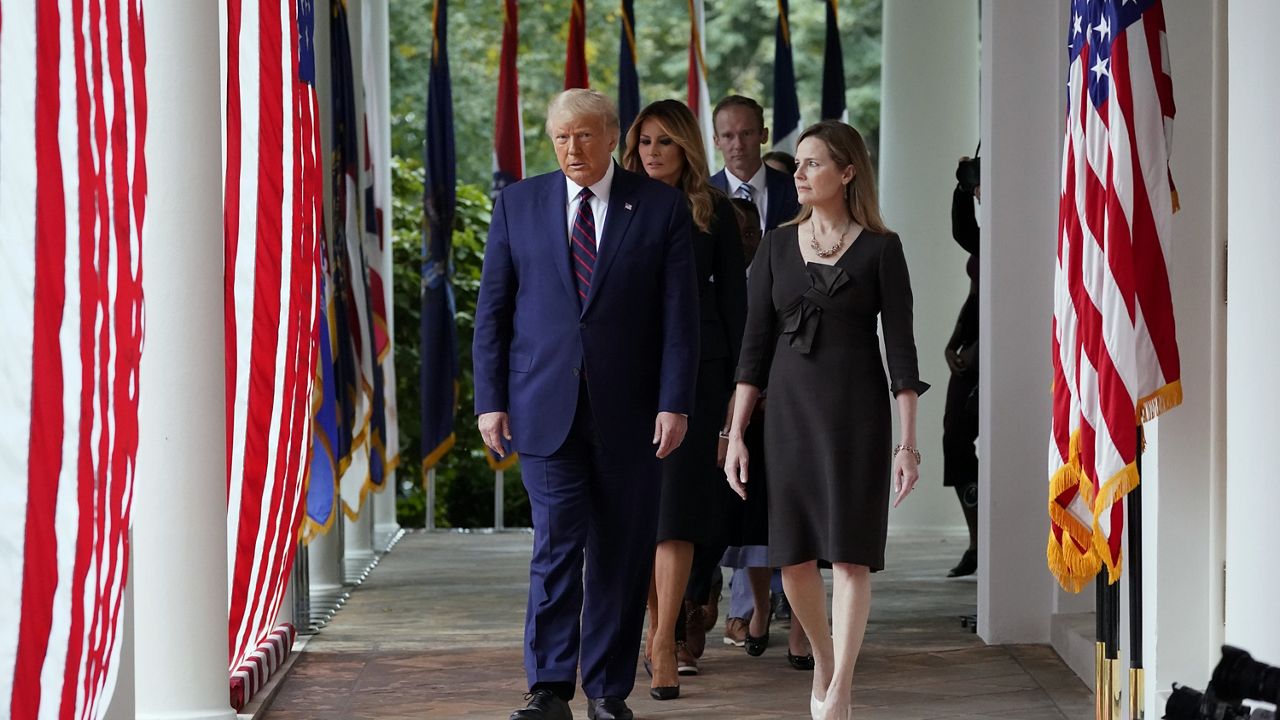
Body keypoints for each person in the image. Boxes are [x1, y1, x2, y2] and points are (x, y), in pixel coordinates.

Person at [474, 88, 699, 720]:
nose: (572, 149)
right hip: (542, 408)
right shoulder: (518, 204)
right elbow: (492, 312)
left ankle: (606, 690)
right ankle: (548, 687)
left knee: (621, 554)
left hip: (633, 415)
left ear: (610, 136)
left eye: (584, 136)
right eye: (561, 138)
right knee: (555, 547)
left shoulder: (658, 209)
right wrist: (490, 401)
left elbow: (680, 319)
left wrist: (674, 401)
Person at [724, 120, 929, 720]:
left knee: (849, 556)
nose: (800, 174)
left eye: (814, 164)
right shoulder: (774, 247)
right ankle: (823, 657)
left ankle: (839, 689)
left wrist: (908, 445)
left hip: (857, 417)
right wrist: (735, 433)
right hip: (785, 417)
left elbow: (904, 357)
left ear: (847, 173)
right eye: (800, 164)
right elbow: (752, 351)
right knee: (792, 557)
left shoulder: (881, 249)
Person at [620, 99, 746, 698]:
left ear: (688, 148)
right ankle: (655, 627)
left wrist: (740, 392)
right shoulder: (615, 203)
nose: (652, 152)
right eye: (644, 141)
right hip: (627, 375)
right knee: (640, 511)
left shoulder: (715, 210)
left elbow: (735, 308)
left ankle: (665, 639)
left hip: (699, 376)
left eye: (665, 142)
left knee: (677, 511)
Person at [708, 94, 809, 665]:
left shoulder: (794, 193)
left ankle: (782, 600)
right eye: (728, 136)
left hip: (790, 348)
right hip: (728, 353)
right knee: (739, 474)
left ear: (763, 132)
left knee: (779, 471)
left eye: (748, 134)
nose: (740, 144)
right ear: (716, 139)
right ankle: (748, 600)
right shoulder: (706, 199)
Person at [944, 156, 980, 577]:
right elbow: (963, 232)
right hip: (970, 350)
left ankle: (988, 542)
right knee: (954, 440)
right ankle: (977, 541)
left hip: (993, 350)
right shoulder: (987, 237)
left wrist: (980, 349)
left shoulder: (1015, 231)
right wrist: (956, 339)